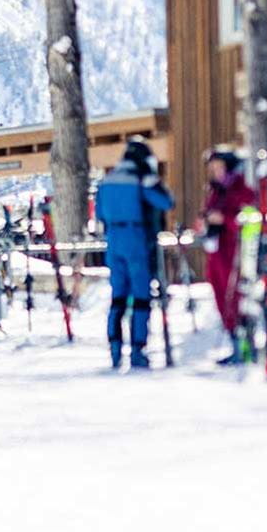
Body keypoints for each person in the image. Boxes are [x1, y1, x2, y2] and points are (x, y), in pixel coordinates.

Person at [95, 137, 175, 369]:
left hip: (113, 240)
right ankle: (138, 349)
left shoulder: (107, 182)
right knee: (141, 296)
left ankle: (115, 348)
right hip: (136, 238)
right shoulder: (141, 180)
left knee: (118, 296)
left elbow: (100, 213)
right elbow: (166, 203)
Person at [201, 148, 255, 365]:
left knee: (236, 298)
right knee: (222, 297)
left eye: (218, 167)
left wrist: (224, 219)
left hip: (234, 251)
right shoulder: (215, 191)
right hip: (216, 252)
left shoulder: (240, 188)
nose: (214, 172)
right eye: (211, 168)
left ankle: (244, 346)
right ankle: (235, 345)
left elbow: (247, 217)